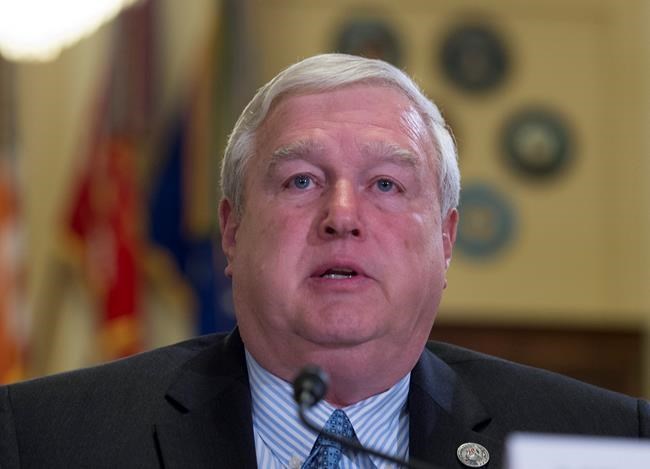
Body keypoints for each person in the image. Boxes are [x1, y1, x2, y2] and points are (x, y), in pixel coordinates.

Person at [0, 53, 648, 469]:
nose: (342, 215)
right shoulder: (44, 440)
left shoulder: (605, 444)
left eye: (386, 184)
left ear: (446, 239)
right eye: (302, 180)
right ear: (232, 230)